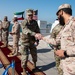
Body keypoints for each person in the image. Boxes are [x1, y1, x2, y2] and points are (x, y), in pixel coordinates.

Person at [43, 3, 75, 75]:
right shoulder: (65, 27)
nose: (58, 17)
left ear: (61, 12)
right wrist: (42, 37)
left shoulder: (73, 24)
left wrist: (64, 53)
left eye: (58, 15)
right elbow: (56, 41)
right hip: (66, 67)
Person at [19, 9, 42, 75]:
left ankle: (34, 66)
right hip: (24, 42)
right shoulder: (23, 22)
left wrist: (37, 40)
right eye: (29, 15)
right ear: (26, 15)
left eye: (31, 15)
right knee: (25, 57)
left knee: (34, 55)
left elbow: (38, 31)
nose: (30, 16)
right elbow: (25, 30)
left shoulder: (35, 22)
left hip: (32, 42)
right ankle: (24, 70)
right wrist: (34, 34)